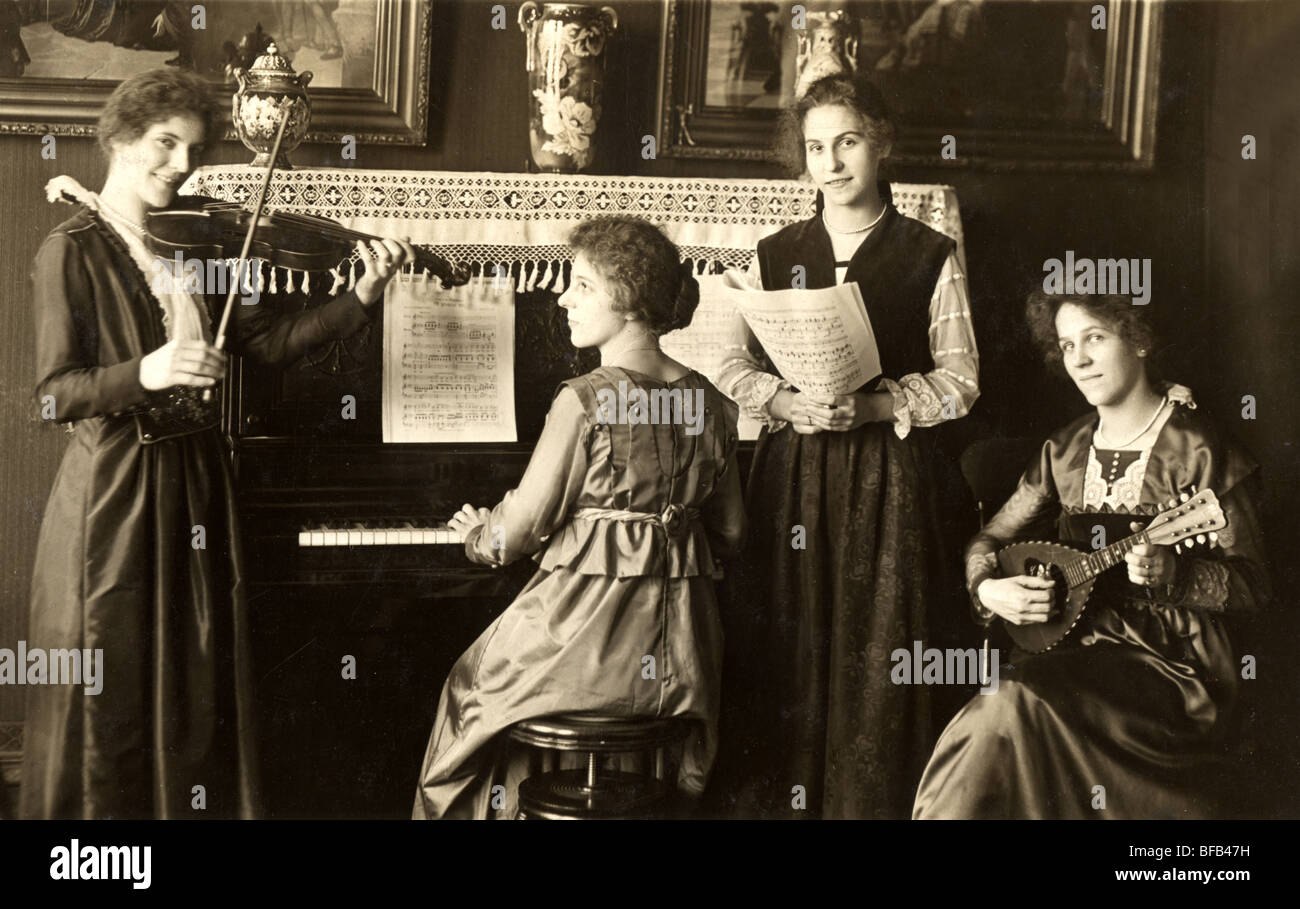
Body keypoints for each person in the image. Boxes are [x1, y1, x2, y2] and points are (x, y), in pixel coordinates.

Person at [21, 68, 414, 819]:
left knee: (192, 678)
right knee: (117, 675)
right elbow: (54, 394)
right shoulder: (70, 249)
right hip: (116, 497)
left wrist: (359, 298)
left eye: (194, 151)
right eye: (164, 144)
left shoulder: (198, 242)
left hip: (198, 481)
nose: (181, 165)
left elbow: (265, 348)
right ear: (119, 139)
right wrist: (150, 369)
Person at [413, 216, 745, 819]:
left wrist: (476, 537)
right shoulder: (713, 404)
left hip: (585, 647)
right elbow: (732, 533)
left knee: (467, 690)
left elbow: (517, 531)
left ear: (626, 297)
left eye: (582, 285)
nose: (563, 296)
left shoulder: (585, 398)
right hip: (686, 662)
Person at [712, 72, 979, 819]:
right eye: (816, 146)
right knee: (788, 635)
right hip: (793, 471)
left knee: (876, 641)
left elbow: (960, 380)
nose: (831, 162)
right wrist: (785, 400)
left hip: (887, 476)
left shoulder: (929, 251)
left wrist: (871, 405)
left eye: (848, 142)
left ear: (881, 144)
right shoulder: (774, 250)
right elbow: (729, 361)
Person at [912, 292, 1271, 819]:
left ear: (1140, 340)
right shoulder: (1065, 450)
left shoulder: (1201, 449)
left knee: (1013, 701)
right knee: (1008, 701)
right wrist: (989, 587)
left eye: (1095, 339)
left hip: (1174, 669)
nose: (1077, 360)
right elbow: (988, 539)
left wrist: (1177, 574)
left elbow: (1255, 587)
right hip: (1075, 646)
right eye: (1066, 345)